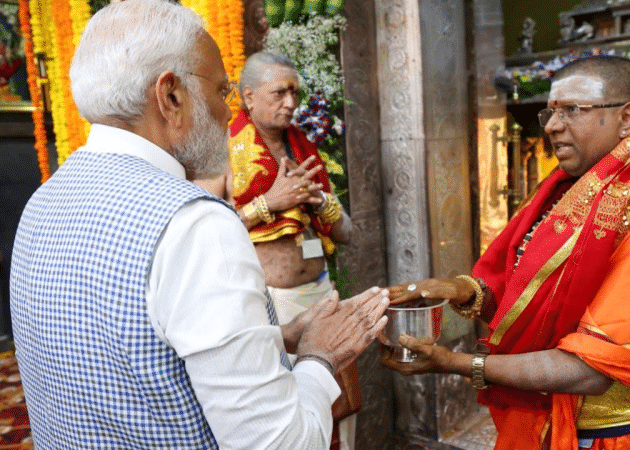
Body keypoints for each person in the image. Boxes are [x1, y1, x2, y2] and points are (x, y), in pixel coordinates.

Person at [9, 1, 388, 449]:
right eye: (221, 92)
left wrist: (272, 339)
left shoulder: (43, 200)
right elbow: (279, 443)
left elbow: (132, 355)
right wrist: (321, 357)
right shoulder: (194, 224)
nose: (228, 114)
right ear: (170, 97)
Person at [382, 55, 630, 450]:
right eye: (551, 112)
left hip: (627, 437)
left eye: (572, 110)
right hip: (559, 422)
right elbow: (532, 297)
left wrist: (454, 364)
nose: (553, 126)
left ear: (627, 118)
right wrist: (459, 290)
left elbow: (591, 369)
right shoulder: (569, 190)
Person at [193, 51, 358, 450]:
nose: (291, 103)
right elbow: (203, 233)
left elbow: (348, 233)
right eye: (279, 92)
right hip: (273, 305)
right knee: (293, 407)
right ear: (248, 96)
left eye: (295, 93)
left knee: (343, 400)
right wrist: (270, 202)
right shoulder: (221, 152)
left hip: (320, 290)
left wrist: (323, 204)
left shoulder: (304, 149)